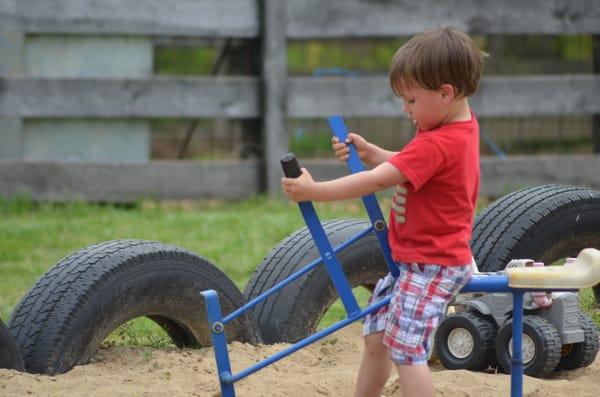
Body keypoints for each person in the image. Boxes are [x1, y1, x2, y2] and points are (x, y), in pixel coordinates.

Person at [281, 26, 486, 397]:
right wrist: (376, 154)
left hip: (433, 265)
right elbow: (415, 167)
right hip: (413, 262)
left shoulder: (438, 141)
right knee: (377, 336)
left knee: (407, 349)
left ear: (445, 93)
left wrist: (313, 191)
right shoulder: (457, 128)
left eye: (410, 101)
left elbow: (377, 181)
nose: (406, 110)